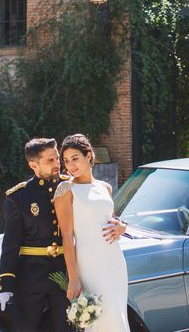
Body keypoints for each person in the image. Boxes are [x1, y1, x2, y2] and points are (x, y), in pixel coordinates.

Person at [0, 138, 72, 332]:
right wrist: (6, 286)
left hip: (65, 273)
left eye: (57, 159)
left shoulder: (71, 187)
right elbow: (10, 245)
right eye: (50, 161)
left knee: (66, 328)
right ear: (33, 165)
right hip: (31, 277)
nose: (57, 164)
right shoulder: (19, 197)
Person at [53, 133, 130, 332]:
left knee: (118, 318)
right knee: (104, 320)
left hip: (114, 262)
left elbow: (110, 220)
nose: (70, 166)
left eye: (75, 158)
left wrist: (122, 226)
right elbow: (67, 237)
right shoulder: (65, 190)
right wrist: (74, 278)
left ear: (89, 156)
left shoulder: (105, 187)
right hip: (90, 264)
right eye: (66, 161)